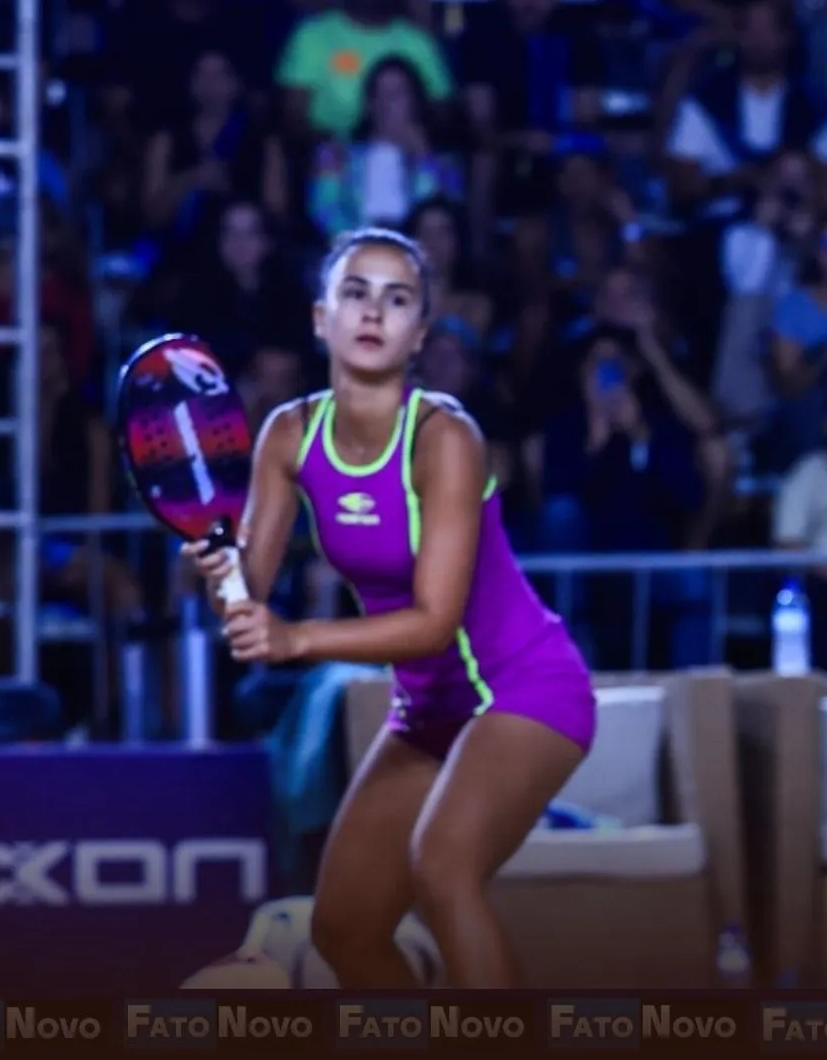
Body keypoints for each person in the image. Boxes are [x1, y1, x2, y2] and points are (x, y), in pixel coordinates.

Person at [185, 228, 596, 989]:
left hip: (527, 690)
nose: (374, 311)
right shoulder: (287, 434)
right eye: (355, 292)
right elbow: (249, 588)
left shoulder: (445, 436)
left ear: (419, 335)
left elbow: (434, 620)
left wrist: (295, 639)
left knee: (442, 874)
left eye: (397, 298)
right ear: (321, 318)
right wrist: (216, 573)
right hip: (430, 709)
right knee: (345, 930)